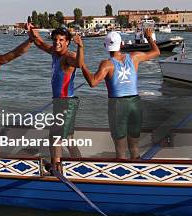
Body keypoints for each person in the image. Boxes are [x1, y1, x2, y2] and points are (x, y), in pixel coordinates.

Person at [78, 28, 160, 159]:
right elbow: (156, 52)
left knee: (120, 148)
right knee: (134, 146)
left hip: (118, 105)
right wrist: (149, 37)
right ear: (122, 44)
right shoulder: (134, 57)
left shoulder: (107, 64)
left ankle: (122, 172)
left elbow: (93, 83)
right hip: (135, 103)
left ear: (105, 46)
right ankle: (137, 172)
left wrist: (82, 65)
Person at [30, 26, 83, 170]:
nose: (57, 42)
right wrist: (32, 33)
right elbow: (40, 43)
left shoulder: (69, 57)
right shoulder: (54, 53)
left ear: (67, 42)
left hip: (67, 102)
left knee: (55, 137)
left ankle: (56, 166)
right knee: (68, 139)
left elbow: (79, 63)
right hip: (60, 102)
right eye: (55, 40)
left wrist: (80, 47)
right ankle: (80, 164)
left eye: (61, 40)